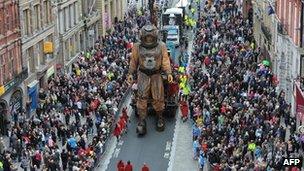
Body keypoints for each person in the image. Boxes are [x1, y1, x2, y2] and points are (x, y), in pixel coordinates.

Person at [127, 24, 173, 135]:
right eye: (146, 37)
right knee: (141, 98)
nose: (148, 39)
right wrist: (130, 73)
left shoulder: (161, 46)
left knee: (158, 98)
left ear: (155, 36)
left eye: (150, 37)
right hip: (143, 75)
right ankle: (142, 121)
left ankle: (160, 117)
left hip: (156, 75)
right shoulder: (137, 47)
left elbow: (165, 61)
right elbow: (133, 61)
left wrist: (168, 73)